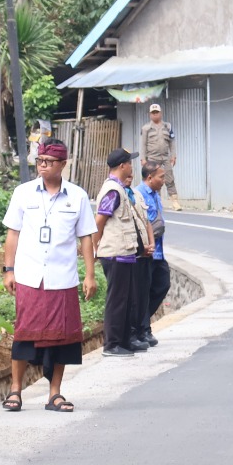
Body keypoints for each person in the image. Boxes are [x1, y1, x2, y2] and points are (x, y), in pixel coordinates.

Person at [0, 140, 97, 413]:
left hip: (62, 277)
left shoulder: (77, 196)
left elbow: (86, 238)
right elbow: (13, 233)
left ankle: (54, 394)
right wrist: (9, 270)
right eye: (39, 161)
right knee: (24, 333)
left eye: (48, 162)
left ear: (63, 164)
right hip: (30, 276)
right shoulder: (23, 193)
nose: (42, 166)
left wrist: (90, 275)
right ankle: (15, 390)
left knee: (62, 338)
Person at [94, 149, 153, 358]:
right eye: (129, 163)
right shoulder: (112, 191)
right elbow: (99, 221)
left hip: (125, 253)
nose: (131, 167)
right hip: (114, 254)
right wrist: (94, 248)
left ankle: (126, 340)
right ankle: (112, 344)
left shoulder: (120, 189)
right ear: (122, 166)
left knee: (128, 300)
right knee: (117, 300)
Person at [135, 161, 169, 347]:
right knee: (144, 291)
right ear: (150, 177)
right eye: (161, 177)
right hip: (146, 252)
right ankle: (143, 329)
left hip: (158, 251)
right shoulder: (139, 194)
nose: (164, 180)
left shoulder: (155, 194)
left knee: (162, 284)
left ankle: (142, 323)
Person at [140, 103, 181, 211]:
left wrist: (173, 155)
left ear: (160, 113)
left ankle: (175, 201)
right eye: (153, 113)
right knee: (154, 180)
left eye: (157, 112)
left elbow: (172, 142)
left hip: (165, 157)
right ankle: (156, 201)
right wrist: (143, 158)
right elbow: (143, 144)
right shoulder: (146, 128)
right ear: (150, 114)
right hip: (152, 158)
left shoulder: (167, 126)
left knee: (169, 178)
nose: (155, 114)